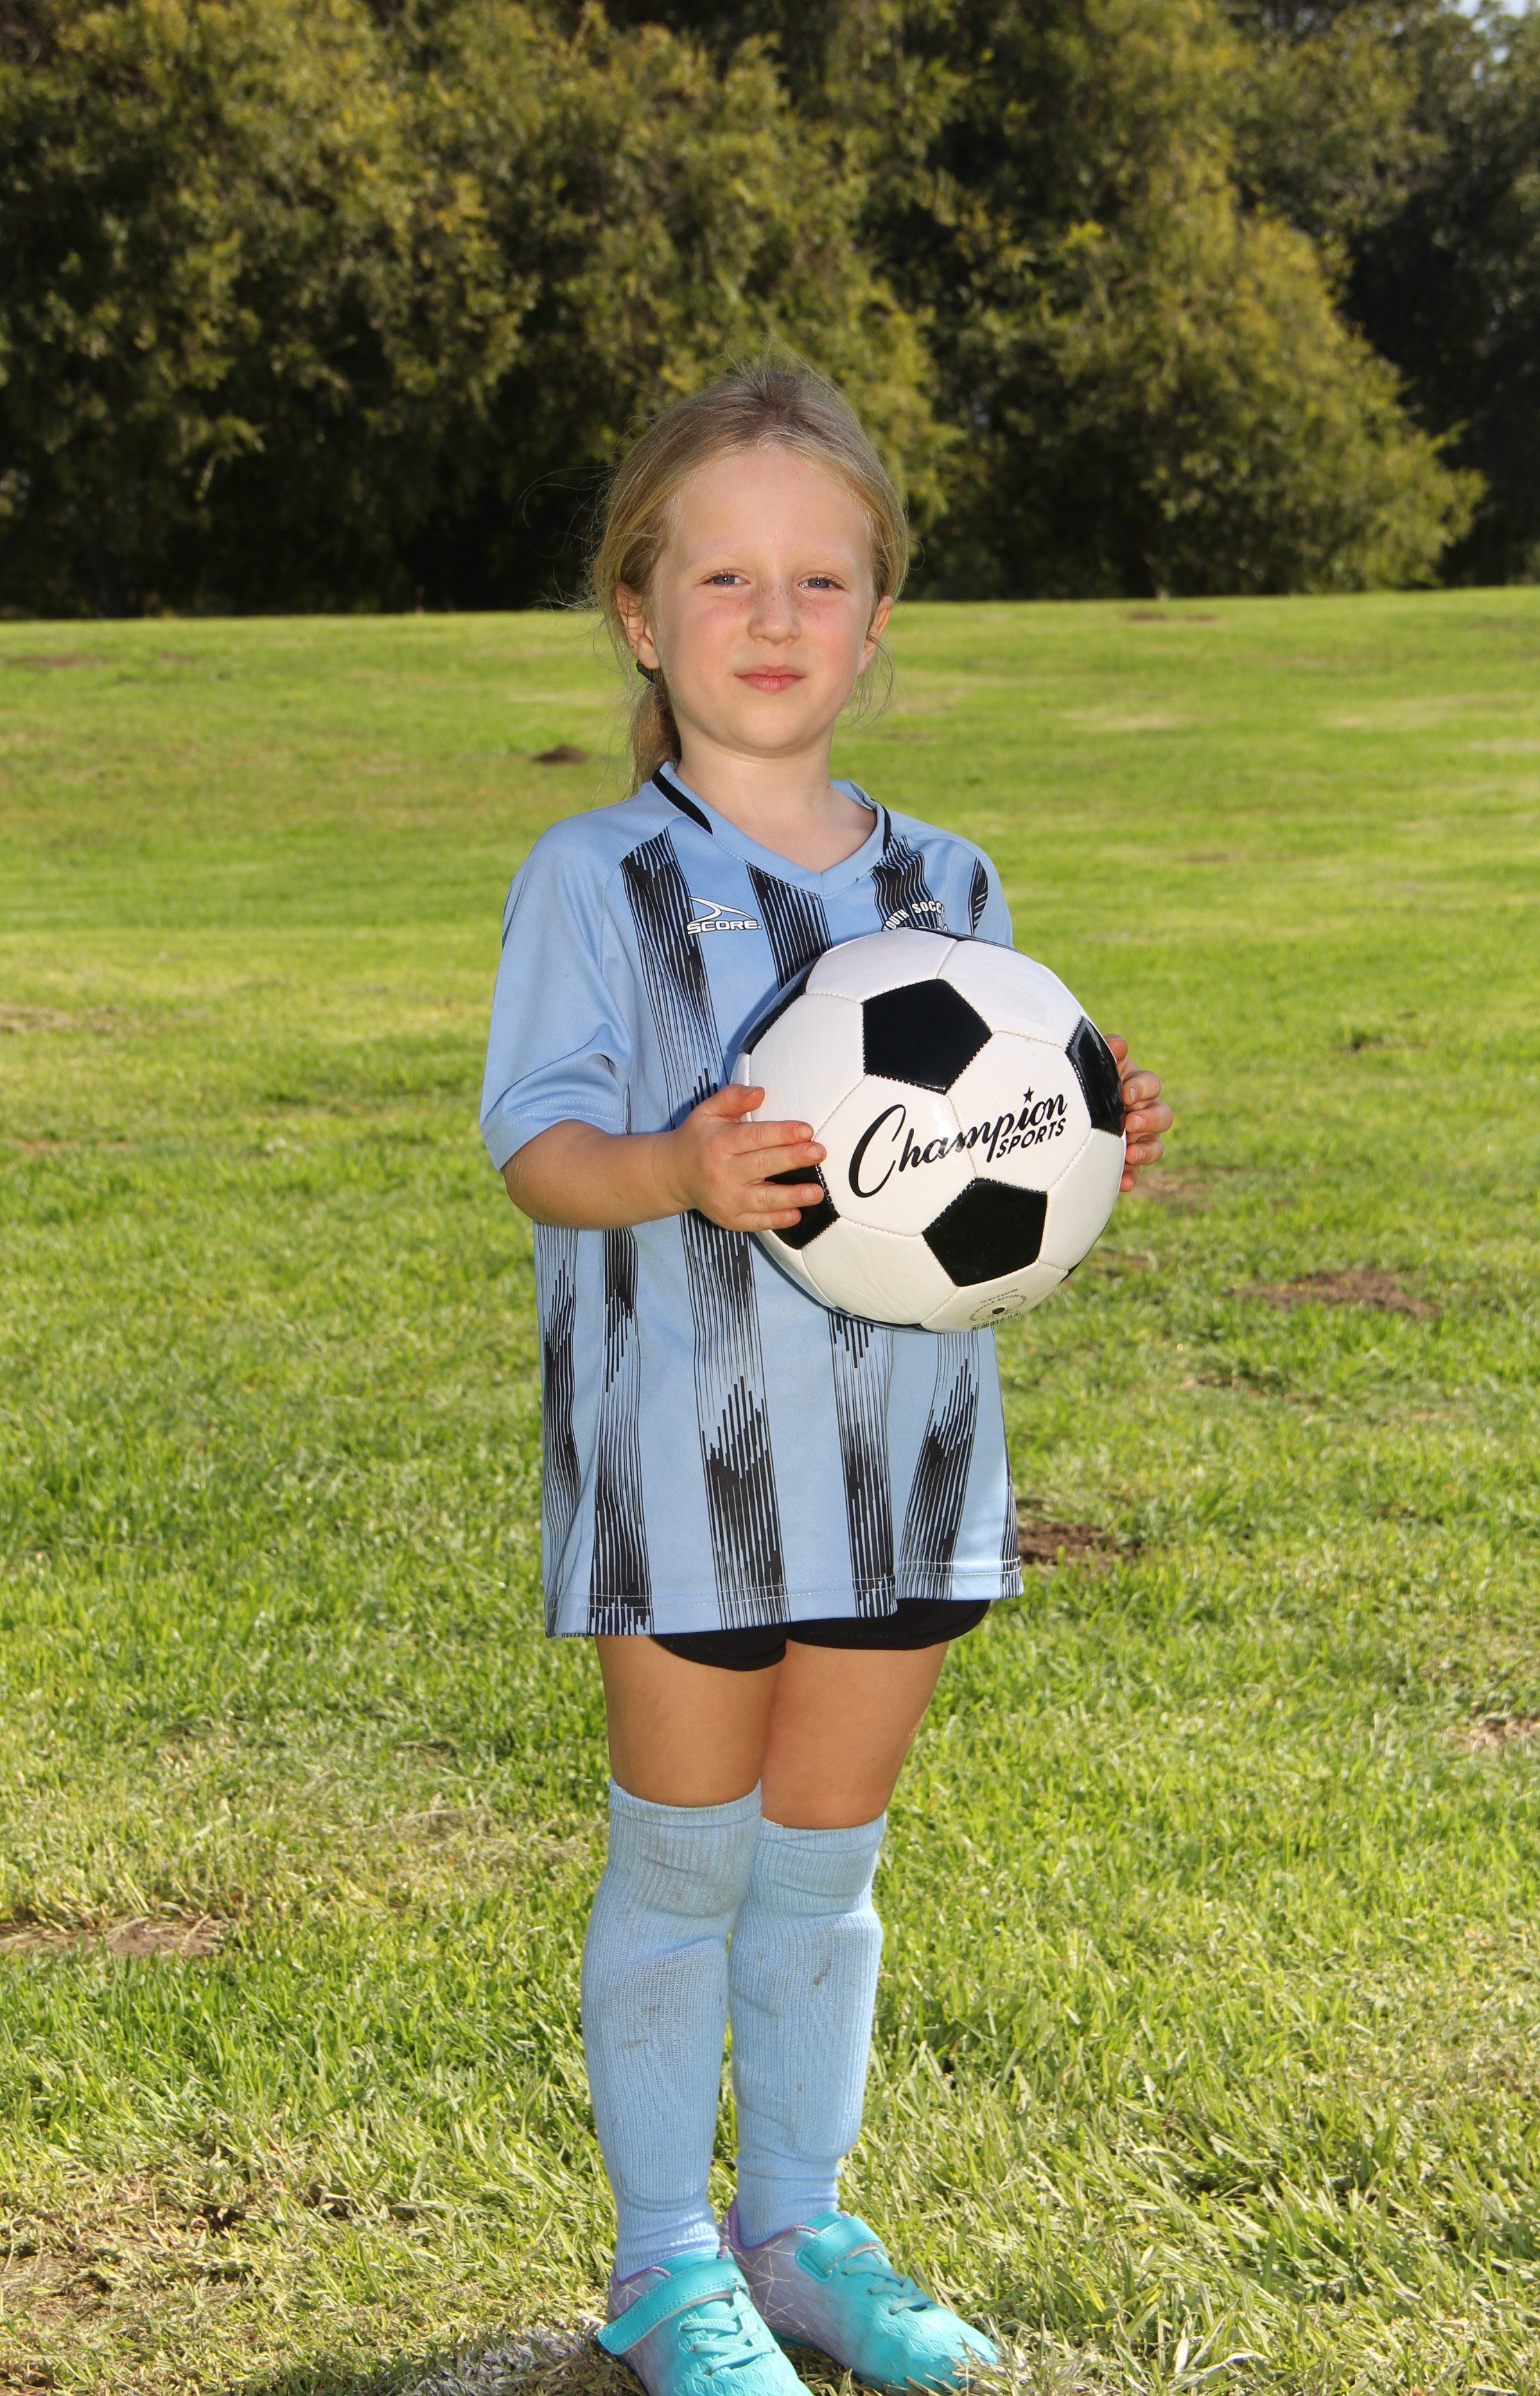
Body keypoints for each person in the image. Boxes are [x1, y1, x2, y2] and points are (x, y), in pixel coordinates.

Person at [480, 362, 1172, 2396]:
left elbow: (992, 1156)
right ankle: (661, 2265)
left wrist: (1086, 1126)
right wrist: (678, 1167)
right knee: (685, 1862)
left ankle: (796, 2228)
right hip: (679, 1468)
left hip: (907, 1466)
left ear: (878, 622)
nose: (772, 619)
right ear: (639, 613)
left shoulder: (953, 884)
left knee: (823, 1865)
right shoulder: (592, 877)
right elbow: (536, 1148)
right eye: (724, 578)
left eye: (819, 580)